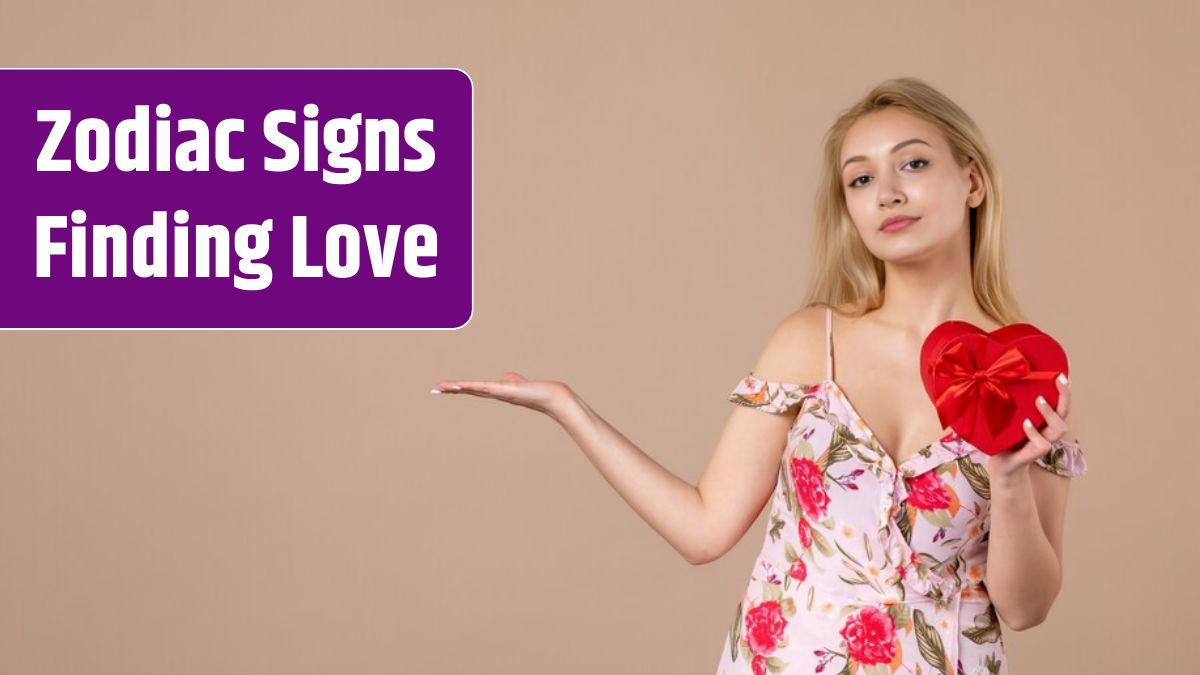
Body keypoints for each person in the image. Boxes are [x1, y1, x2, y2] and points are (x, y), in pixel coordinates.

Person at [431, 76, 1088, 675]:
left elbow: (1026, 608)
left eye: (913, 163)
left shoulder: (1025, 369)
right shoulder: (810, 341)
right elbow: (704, 527)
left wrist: (1007, 483)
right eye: (860, 179)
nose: (886, 191)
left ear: (972, 182)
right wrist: (567, 406)